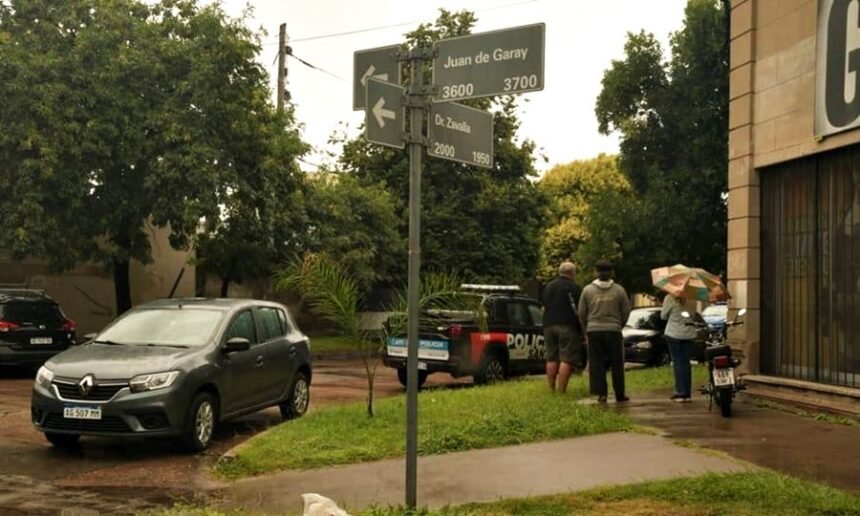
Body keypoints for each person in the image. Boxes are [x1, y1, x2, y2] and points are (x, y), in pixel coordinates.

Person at [578, 260, 631, 403]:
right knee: (617, 363)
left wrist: (586, 327)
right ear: (611, 272)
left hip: (594, 331)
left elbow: (581, 313)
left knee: (596, 363)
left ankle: (601, 394)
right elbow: (626, 310)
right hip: (613, 330)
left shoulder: (588, 290)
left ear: (596, 272)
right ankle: (620, 393)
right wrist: (619, 324)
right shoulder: (619, 290)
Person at [540, 261, 584, 393]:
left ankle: (551, 389)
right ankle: (561, 390)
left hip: (548, 324)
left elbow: (543, 307)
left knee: (551, 357)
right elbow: (580, 311)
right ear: (572, 273)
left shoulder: (548, 287)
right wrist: (582, 329)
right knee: (566, 358)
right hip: (567, 325)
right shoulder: (575, 288)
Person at [661, 293, 698, 402]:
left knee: (677, 363)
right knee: (686, 363)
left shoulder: (670, 298)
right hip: (688, 333)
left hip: (674, 333)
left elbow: (663, 316)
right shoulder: (692, 298)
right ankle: (687, 394)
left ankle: (680, 392)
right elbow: (693, 316)